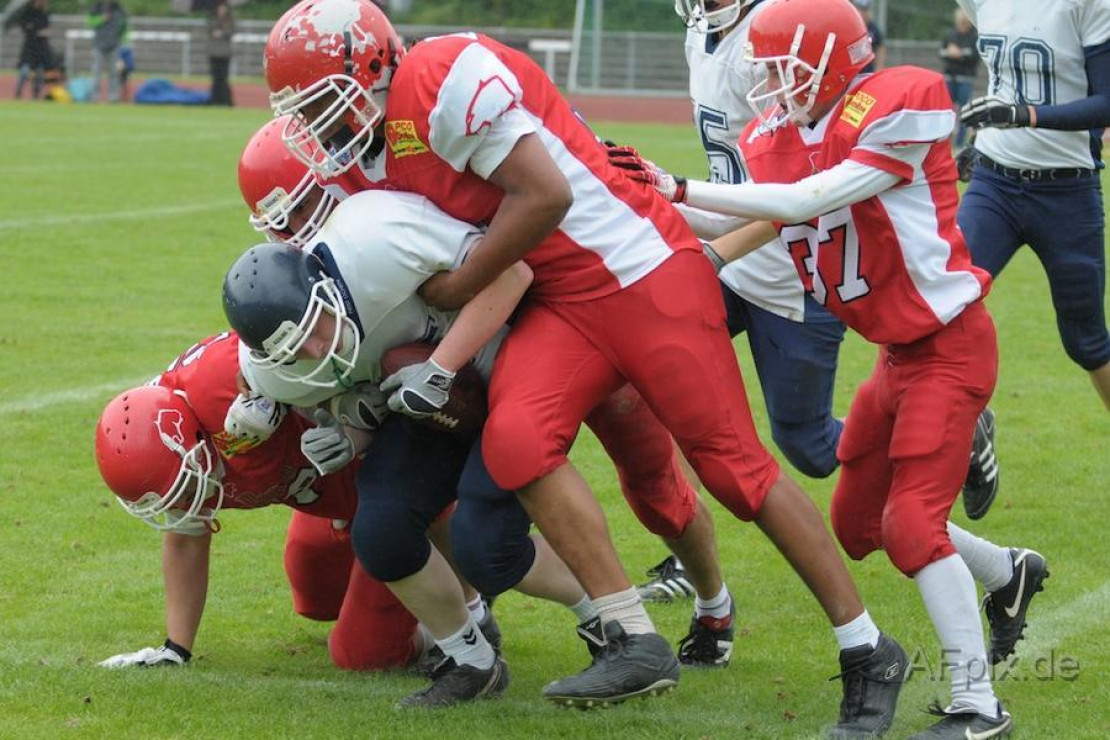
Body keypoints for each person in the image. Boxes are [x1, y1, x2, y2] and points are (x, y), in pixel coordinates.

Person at [264, 1, 907, 729]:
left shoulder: (440, 75)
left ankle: (867, 647)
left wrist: (459, 285)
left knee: (735, 472)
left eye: (321, 101)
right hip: (560, 301)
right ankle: (631, 636)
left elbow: (547, 194)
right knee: (517, 442)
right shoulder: (375, 154)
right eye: (302, 110)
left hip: (641, 271)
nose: (315, 124)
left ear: (374, 66)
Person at [636, 0, 1050, 735]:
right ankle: (1007, 570)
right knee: (858, 524)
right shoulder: (785, 136)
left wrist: (680, 188)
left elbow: (809, 198)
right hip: (895, 358)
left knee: (912, 526)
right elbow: (745, 216)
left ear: (828, 63)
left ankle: (978, 704)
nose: (768, 86)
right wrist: (645, 195)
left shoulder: (893, 105)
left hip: (950, 348)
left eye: (781, 69)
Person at [241, 113, 740, 672]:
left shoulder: (415, 160)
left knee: (654, 486)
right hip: (465, 362)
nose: (298, 230)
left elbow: (533, 234)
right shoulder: (316, 269)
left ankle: (711, 604)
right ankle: (497, 621)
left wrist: (440, 352)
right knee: (435, 514)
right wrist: (354, 417)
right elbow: (348, 356)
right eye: (280, 222)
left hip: (565, 313)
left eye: (305, 206)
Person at [223, 190, 601, 706]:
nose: (317, 350)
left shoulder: (375, 240)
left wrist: (441, 367)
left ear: (324, 288)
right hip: (425, 405)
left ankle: (607, 620)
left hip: (512, 364)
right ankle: (471, 660)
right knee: (380, 532)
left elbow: (512, 274)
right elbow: (365, 402)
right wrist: (348, 437)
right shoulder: (276, 374)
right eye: (295, 351)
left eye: (313, 328)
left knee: (486, 546)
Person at [92, 334, 480, 674]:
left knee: (364, 652)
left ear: (193, 438)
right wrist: (176, 649)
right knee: (314, 595)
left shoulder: (227, 380)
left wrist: (343, 427)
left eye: (182, 488)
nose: (185, 502)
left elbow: (337, 352)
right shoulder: (169, 444)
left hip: (383, 485)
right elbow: (184, 538)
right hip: (329, 493)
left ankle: (461, 613)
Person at [956, 0, 1110, 413]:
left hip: (1067, 191)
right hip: (994, 181)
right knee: (940, 303)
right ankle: (956, 429)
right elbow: (1005, 81)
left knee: (1087, 341)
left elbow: (1107, 102)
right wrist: (982, 140)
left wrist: (1024, 115)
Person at [940, 8, 978, 149]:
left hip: (965, 79)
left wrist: (959, 54)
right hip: (950, 78)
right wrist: (952, 53)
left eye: (964, 23)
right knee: (946, 111)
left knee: (964, 112)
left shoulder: (973, 37)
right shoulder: (950, 34)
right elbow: (942, 52)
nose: (962, 26)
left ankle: (960, 144)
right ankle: (944, 141)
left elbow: (974, 56)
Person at [5, 0, 51, 100]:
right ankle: (18, 91)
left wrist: (45, 33)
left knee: (39, 71)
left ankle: (35, 93)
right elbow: (26, 28)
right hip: (30, 46)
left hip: (41, 47)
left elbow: (46, 28)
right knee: (25, 70)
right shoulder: (28, 13)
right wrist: (37, 32)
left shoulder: (44, 14)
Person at [87, 0, 126, 103]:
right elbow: (89, 22)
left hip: (114, 45)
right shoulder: (97, 7)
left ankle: (113, 97)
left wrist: (120, 40)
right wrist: (101, 19)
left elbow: (124, 25)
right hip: (99, 45)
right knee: (96, 72)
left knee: (114, 73)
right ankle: (94, 96)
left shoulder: (119, 8)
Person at [207, 0, 234, 107]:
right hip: (214, 52)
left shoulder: (229, 19)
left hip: (224, 53)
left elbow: (231, 31)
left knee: (223, 77)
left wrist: (222, 33)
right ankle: (215, 99)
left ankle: (225, 100)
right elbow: (209, 30)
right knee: (215, 77)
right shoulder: (212, 18)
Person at [853, 0, 884, 73]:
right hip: (853, 71)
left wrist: (879, 67)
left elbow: (880, 48)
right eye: (859, 9)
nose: (862, 13)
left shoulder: (873, 29)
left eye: (865, 10)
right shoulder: (851, 28)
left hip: (868, 70)